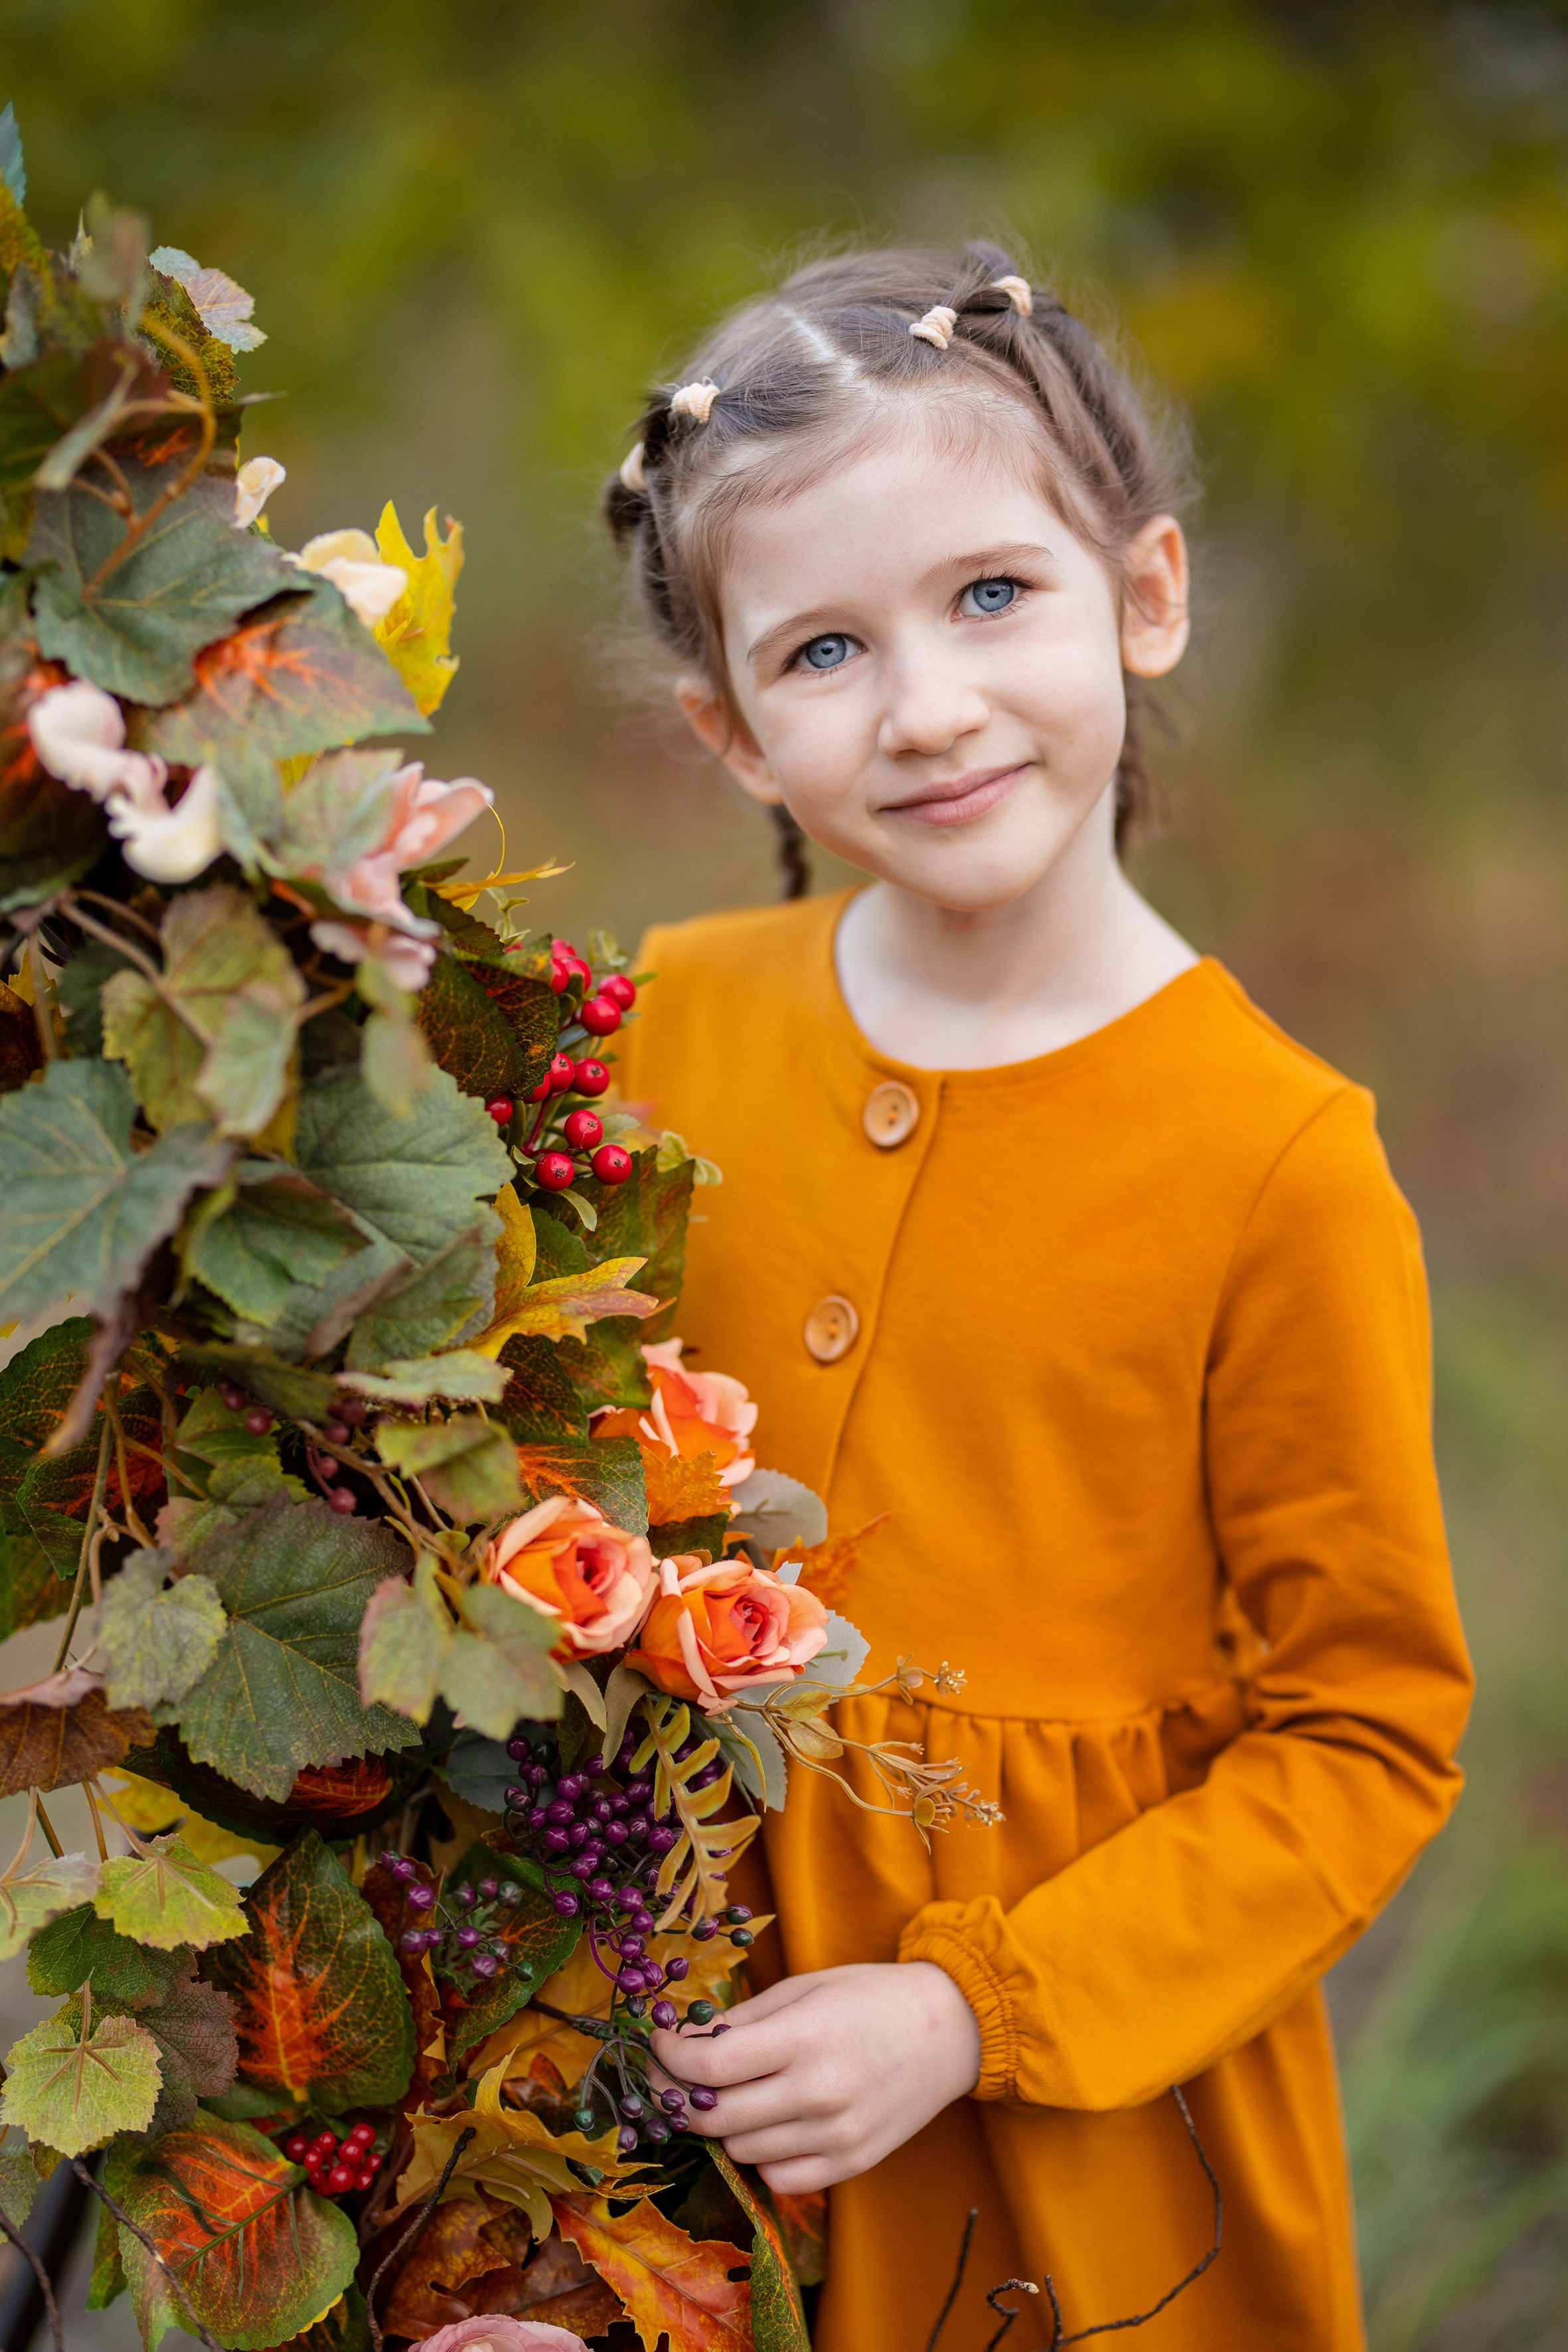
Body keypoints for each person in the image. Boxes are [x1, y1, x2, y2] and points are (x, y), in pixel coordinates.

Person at [607, 242, 1472, 2352]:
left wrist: (964, 2010)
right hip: (647, 2059)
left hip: (1070, 2143)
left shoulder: (1275, 1154)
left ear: (1142, 594)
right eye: (824, 649)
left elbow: (1362, 1735)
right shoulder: (660, 1022)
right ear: (733, 732)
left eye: (990, 594)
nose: (924, 707)